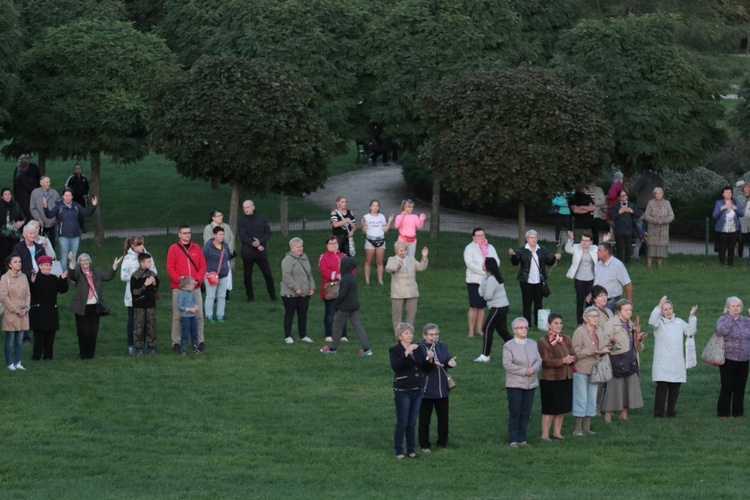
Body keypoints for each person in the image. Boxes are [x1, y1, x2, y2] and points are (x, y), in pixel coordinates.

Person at [389, 322, 434, 459]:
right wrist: (406, 353)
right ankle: (398, 450)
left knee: (412, 422)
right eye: (406, 333)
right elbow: (396, 367)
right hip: (403, 390)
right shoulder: (395, 350)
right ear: (399, 336)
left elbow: (425, 369)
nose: (410, 336)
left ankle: (410, 449)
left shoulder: (418, 348)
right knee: (402, 421)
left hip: (417, 389)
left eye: (411, 333)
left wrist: (430, 359)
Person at [649, 296, 697, 418]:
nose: (669, 311)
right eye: (665, 309)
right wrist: (659, 305)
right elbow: (651, 321)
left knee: (675, 388)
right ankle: (658, 413)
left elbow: (690, 332)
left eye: (670, 308)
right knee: (662, 389)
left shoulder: (679, 322)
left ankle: (671, 412)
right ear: (661, 311)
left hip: (676, 362)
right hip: (662, 362)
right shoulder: (658, 324)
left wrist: (691, 317)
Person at [68, 252, 122, 360]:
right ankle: (83, 354)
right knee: (83, 332)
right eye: (82, 260)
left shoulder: (97, 272)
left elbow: (108, 276)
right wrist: (71, 263)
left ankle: (90, 354)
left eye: (86, 260)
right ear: (79, 263)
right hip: (81, 306)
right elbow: (72, 275)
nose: (85, 262)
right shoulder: (78, 273)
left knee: (93, 331)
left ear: (90, 261)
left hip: (94, 306)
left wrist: (114, 266)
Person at [601, 299, 645, 422]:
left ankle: (624, 414)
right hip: (616, 360)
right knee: (613, 388)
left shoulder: (631, 325)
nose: (629, 312)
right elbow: (604, 343)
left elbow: (637, 347)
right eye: (626, 310)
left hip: (630, 359)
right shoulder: (610, 324)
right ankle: (608, 415)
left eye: (630, 309)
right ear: (619, 311)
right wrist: (611, 341)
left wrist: (639, 339)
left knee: (628, 387)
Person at [320, 257, 371, 356]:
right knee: (358, 326)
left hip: (345, 307)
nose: (339, 266)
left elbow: (342, 294)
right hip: (355, 305)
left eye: (340, 264)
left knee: (337, 326)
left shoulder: (345, 278)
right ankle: (367, 349)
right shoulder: (352, 276)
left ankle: (333, 348)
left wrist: (336, 304)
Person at [509, 229, 560, 328]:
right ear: (527, 239)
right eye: (531, 237)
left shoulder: (542, 249)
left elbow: (548, 261)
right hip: (526, 280)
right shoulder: (522, 250)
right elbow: (515, 262)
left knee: (538, 303)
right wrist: (513, 255)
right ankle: (527, 324)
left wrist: (555, 257)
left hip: (539, 280)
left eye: (535, 237)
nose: (534, 239)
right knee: (527, 303)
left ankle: (539, 323)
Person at [503, 317, 542, 447]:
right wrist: (525, 371)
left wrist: (533, 369)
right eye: (520, 327)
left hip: (531, 384)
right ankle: (513, 439)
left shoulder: (533, 343)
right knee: (515, 412)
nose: (523, 330)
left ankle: (522, 439)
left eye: (525, 327)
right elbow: (507, 365)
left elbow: (539, 360)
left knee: (525, 412)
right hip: (515, 384)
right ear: (514, 330)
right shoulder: (508, 346)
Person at [572, 306, 611, 435]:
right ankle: (578, 429)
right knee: (581, 398)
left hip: (595, 370)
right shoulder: (580, 331)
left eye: (597, 316)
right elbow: (576, 353)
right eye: (592, 316)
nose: (595, 318)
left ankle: (587, 428)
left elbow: (600, 349)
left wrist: (603, 351)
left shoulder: (599, 330)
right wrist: (594, 351)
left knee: (591, 398)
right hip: (581, 369)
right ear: (585, 318)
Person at [167, 225, 206, 353]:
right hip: (179, 288)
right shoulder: (173, 249)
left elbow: (202, 266)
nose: (187, 235)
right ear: (179, 235)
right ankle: (176, 342)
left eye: (189, 233)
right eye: (184, 233)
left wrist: (197, 281)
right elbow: (170, 268)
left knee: (199, 315)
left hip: (195, 287)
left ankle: (200, 341)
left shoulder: (196, 248)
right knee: (178, 316)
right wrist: (181, 282)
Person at [418, 323, 456, 453]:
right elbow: (425, 368)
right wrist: (429, 358)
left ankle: (442, 444)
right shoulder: (420, 347)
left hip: (442, 388)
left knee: (443, 418)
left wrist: (450, 363)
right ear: (424, 335)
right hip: (426, 389)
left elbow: (446, 361)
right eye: (431, 334)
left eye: (436, 334)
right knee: (425, 419)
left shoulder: (443, 346)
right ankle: (424, 445)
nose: (434, 337)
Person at [537, 312, 576, 441]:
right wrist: (562, 361)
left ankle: (557, 432)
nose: (559, 326)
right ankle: (545, 435)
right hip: (550, 380)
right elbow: (545, 361)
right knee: (550, 408)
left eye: (560, 323)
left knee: (561, 407)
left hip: (565, 377)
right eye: (556, 323)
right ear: (549, 325)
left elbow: (574, 354)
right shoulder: (543, 342)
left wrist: (572, 359)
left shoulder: (566, 339)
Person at [715, 296, 750, 418]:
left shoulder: (747, 320)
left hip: (744, 359)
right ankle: (723, 412)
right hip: (728, 358)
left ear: (741, 307)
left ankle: (738, 413)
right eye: (733, 306)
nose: (736, 308)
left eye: (738, 306)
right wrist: (730, 318)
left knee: (740, 387)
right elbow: (722, 331)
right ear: (728, 308)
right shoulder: (723, 319)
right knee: (727, 386)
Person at [121, 236, 156, 355]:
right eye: (138, 245)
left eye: (142, 244)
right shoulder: (128, 258)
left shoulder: (148, 255)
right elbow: (123, 275)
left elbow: (154, 272)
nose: (141, 247)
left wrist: (151, 278)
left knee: (147, 320)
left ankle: (145, 344)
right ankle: (132, 344)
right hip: (133, 294)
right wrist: (138, 276)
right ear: (132, 246)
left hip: (147, 294)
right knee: (133, 320)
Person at [29, 255, 68, 361]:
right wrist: (31, 282)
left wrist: (63, 279)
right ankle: (36, 356)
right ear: (40, 266)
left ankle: (48, 356)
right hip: (39, 311)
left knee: (50, 335)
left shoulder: (53, 278)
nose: (48, 267)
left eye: (49, 265)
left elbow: (63, 290)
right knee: (39, 336)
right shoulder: (35, 277)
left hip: (51, 310)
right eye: (45, 265)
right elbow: (30, 291)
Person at [43, 188, 97, 263]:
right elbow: (49, 215)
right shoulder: (59, 206)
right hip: (63, 236)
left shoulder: (76, 206)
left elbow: (87, 213)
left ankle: (73, 274)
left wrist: (93, 206)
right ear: (63, 196)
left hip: (75, 236)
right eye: (66, 195)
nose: (67, 197)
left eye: (69, 195)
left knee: (73, 256)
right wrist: (45, 207)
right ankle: (63, 274)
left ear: (72, 197)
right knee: (64, 257)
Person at [464, 227, 500, 338]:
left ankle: (479, 329)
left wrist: (491, 270)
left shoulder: (490, 247)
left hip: (487, 280)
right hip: (474, 280)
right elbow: (470, 264)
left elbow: (496, 261)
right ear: (473, 237)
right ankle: (471, 330)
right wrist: (484, 270)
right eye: (478, 235)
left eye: (482, 235)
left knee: (482, 306)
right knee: (474, 306)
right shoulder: (469, 248)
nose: (481, 237)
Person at [385, 241, 429, 331]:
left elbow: (421, 267)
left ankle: (409, 333)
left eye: (405, 250)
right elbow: (388, 268)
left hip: (412, 292)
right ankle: (398, 334)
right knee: (397, 315)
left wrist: (424, 257)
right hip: (398, 292)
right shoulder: (392, 259)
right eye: (401, 250)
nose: (403, 252)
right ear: (396, 251)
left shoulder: (411, 259)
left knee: (411, 314)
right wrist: (397, 267)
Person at [238, 200, 276, 301]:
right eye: (244, 208)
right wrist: (254, 244)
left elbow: (267, 233)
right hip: (248, 253)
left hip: (261, 252)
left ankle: (272, 295)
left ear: (253, 207)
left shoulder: (261, 219)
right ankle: (250, 296)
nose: (246, 209)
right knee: (247, 276)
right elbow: (243, 236)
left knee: (268, 274)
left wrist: (260, 242)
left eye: (248, 207)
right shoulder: (241, 221)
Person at [474, 257, 511, 363]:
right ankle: (519, 348)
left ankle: (485, 355)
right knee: (502, 331)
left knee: (487, 329)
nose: (482, 265)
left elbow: (488, 296)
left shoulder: (492, 279)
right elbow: (480, 289)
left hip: (498, 307)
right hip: (499, 307)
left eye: (483, 263)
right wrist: (483, 292)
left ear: (488, 266)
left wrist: (484, 294)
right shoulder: (486, 276)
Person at [280, 237, 315, 344]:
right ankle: (288, 336)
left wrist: (312, 287)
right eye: (297, 247)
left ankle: (303, 335)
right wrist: (296, 288)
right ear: (292, 248)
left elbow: (309, 274)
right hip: (290, 293)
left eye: (301, 246)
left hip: (304, 293)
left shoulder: (305, 258)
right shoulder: (287, 260)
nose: (300, 248)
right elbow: (286, 276)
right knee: (290, 314)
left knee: (303, 314)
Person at [565, 231, 602, 325]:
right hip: (579, 278)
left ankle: (589, 320)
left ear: (591, 242)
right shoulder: (576, 247)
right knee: (580, 300)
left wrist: (605, 241)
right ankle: (580, 322)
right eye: (583, 240)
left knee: (590, 300)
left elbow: (602, 250)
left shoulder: (594, 248)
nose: (584, 243)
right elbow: (567, 249)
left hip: (591, 278)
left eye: (587, 241)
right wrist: (571, 239)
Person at [1, 254, 30, 370]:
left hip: (23, 311)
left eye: (19, 261)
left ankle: (18, 362)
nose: (18, 263)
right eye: (15, 262)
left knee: (20, 339)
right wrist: (15, 309)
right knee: (10, 339)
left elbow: (28, 294)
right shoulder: (5, 278)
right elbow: (3, 297)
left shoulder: (24, 277)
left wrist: (26, 308)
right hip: (11, 312)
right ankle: (9, 363)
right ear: (9, 264)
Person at [317, 236, 348, 343]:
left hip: (343, 288)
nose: (333, 245)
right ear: (327, 245)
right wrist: (339, 276)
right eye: (331, 243)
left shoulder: (343, 256)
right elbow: (324, 271)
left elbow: (351, 269)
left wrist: (345, 276)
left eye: (335, 243)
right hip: (330, 289)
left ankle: (343, 335)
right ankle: (328, 334)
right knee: (330, 312)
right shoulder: (324, 257)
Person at [130, 252, 160, 356]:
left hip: (150, 304)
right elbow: (134, 292)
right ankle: (138, 347)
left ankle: (151, 346)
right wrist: (145, 285)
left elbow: (156, 289)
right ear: (142, 263)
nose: (150, 263)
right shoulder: (135, 276)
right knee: (139, 326)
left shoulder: (152, 274)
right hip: (139, 305)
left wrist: (154, 284)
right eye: (148, 262)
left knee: (151, 326)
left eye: (150, 261)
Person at [202, 210, 235, 300]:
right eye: (219, 215)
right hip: (214, 256)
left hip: (225, 254)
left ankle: (225, 295)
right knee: (214, 275)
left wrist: (229, 251)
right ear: (213, 218)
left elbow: (231, 238)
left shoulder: (226, 227)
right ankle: (214, 295)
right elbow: (208, 242)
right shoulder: (208, 228)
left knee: (226, 275)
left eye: (221, 215)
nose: (221, 217)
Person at [203, 226, 231, 323]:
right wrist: (208, 271)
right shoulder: (207, 247)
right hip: (211, 275)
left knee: (222, 296)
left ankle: (220, 315)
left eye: (223, 234)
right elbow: (202, 260)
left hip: (223, 275)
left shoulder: (225, 246)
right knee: (211, 296)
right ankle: (209, 315)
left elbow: (228, 257)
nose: (222, 236)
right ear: (214, 235)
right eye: (220, 234)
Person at [593, 242, 632, 312]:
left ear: (606, 252)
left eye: (599, 250)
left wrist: (628, 304)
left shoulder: (617, 265)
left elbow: (627, 284)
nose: (596, 252)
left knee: (609, 322)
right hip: (596, 301)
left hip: (610, 303)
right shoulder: (599, 264)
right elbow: (597, 280)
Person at [361, 199, 393, 285]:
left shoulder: (381, 217)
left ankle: (380, 280)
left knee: (379, 261)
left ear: (379, 207)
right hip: (370, 240)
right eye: (373, 206)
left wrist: (389, 221)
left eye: (377, 206)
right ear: (370, 207)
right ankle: (367, 280)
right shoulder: (366, 217)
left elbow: (385, 230)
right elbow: (363, 231)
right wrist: (363, 223)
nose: (375, 208)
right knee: (368, 261)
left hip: (381, 240)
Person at [643, 187, 674, 268]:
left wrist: (665, 221)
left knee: (661, 247)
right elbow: (646, 216)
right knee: (652, 247)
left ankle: (659, 265)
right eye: (656, 193)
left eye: (660, 193)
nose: (658, 195)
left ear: (662, 194)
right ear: (654, 194)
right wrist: (655, 220)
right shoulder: (650, 203)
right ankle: (649, 265)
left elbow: (671, 215)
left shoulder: (667, 203)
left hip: (663, 230)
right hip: (653, 229)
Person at [609, 190, 642, 265]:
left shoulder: (631, 205)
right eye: (622, 196)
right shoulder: (615, 206)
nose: (624, 197)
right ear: (619, 197)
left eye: (625, 195)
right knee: (619, 247)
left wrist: (632, 211)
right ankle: (619, 263)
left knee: (628, 247)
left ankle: (627, 263)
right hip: (619, 230)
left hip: (629, 230)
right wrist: (619, 212)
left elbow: (638, 214)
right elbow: (611, 217)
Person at [713, 185, 743, 266]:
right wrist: (722, 208)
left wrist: (735, 208)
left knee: (731, 247)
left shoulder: (736, 202)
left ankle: (730, 264)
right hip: (722, 229)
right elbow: (714, 215)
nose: (728, 194)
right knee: (722, 247)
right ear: (723, 194)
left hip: (733, 229)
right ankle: (722, 262)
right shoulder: (719, 203)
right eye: (726, 192)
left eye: (730, 192)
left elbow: (741, 214)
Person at [28, 176, 60, 247]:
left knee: (51, 245)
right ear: (41, 183)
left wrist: (56, 218)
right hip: (39, 224)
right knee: (39, 245)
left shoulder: (55, 193)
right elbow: (33, 208)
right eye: (46, 182)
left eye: (49, 182)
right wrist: (38, 219)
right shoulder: (35, 193)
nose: (48, 184)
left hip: (52, 223)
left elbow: (59, 207)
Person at [0, 188, 25, 268]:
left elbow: (24, 217)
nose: (8, 196)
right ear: (2, 196)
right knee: (3, 257)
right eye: (5, 194)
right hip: (3, 235)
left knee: (13, 256)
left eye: (9, 194)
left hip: (15, 235)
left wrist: (21, 222)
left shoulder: (15, 205)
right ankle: (3, 276)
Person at [13, 154, 41, 223]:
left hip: (23, 199)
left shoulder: (19, 173)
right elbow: (30, 188)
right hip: (26, 201)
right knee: (27, 217)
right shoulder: (22, 176)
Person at [177, 277, 201, 356]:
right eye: (192, 284)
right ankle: (182, 350)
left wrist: (195, 306)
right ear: (186, 285)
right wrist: (189, 309)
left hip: (193, 316)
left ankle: (195, 348)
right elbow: (180, 306)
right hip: (185, 317)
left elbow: (193, 301)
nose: (193, 286)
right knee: (185, 333)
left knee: (194, 332)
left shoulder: (191, 292)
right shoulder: (181, 294)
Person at [65, 163, 90, 232]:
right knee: (74, 213)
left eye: (79, 169)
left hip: (82, 199)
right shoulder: (72, 178)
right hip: (74, 199)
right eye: (76, 169)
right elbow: (66, 185)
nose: (78, 170)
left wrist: (86, 195)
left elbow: (87, 188)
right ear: (74, 170)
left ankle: (82, 227)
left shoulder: (84, 178)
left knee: (81, 213)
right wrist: (70, 193)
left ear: (81, 170)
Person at [735, 182, 750, 259]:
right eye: (746, 187)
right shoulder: (740, 197)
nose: (747, 189)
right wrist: (747, 199)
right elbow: (740, 206)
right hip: (743, 220)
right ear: (743, 189)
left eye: (749, 187)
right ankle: (740, 255)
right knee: (741, 239)